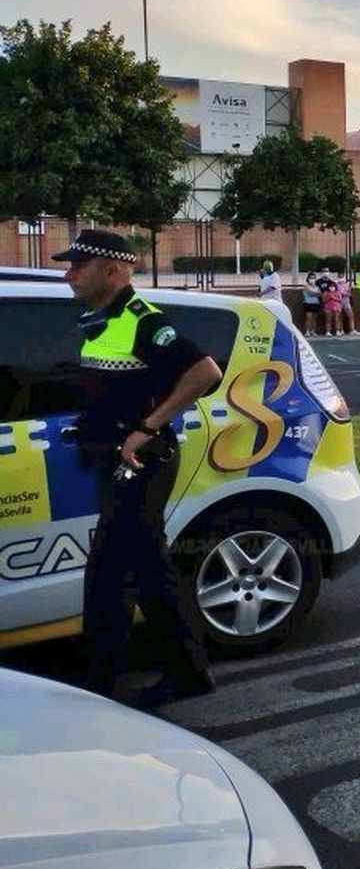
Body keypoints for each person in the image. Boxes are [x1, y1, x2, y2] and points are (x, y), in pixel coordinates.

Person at [53, 230, 220, 705]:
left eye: (77, 266)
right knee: (132, 570)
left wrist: (147, 426)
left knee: (122, 569)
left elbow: (205, 372)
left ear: (112, 271)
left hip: (141, 463)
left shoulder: (142, 320)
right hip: (113, 460)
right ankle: (129, 673)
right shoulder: (99, 319)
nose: (68, 275)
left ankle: (120, 678)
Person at [318, 269, 342, 337]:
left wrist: (333, 298)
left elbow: (339, 299)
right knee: (328, 319)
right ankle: (328, 331)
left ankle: (337, 331)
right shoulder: (326, 293)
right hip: (328, 307)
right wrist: (329, 298)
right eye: (331, 287)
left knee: (336, 319)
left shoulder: (337, 292)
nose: (332, 288)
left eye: (333, 287)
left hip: (336, 307)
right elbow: (323, 300)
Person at [300, 271, 322, 335]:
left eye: (313, 278)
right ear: (308, 278)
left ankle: (313, 330)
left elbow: (320, 294)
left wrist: (316, 293)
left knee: (314, 318)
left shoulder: (317, 287)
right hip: (308, 303)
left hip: (316, 303)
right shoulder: (305, 286)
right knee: (308, 318)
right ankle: (307, 331)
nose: (312, 279)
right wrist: (316, 293)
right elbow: (310, 292)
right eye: (310, 278)